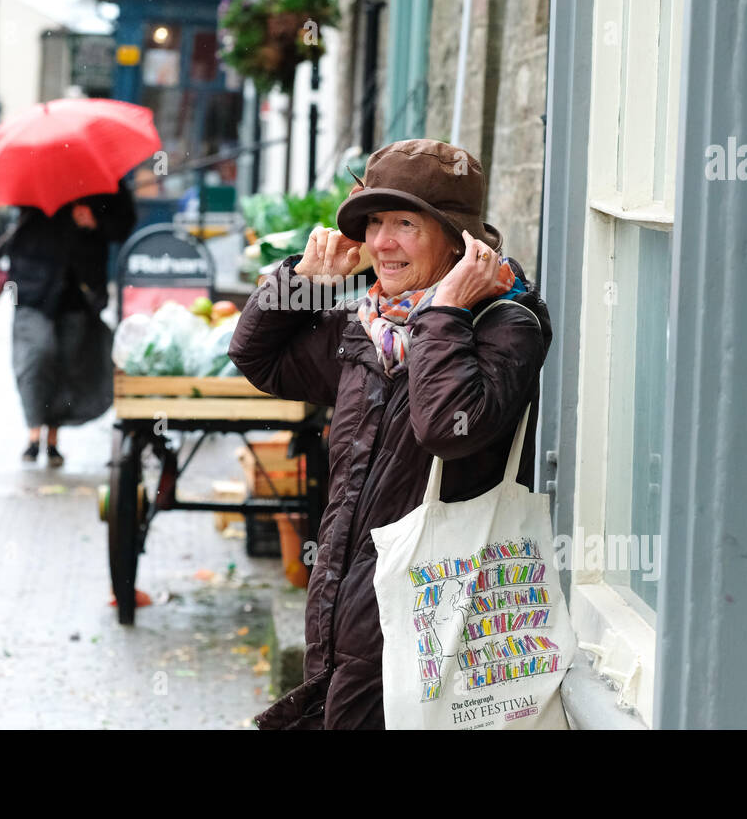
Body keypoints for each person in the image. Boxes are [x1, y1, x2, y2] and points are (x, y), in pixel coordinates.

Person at [228, 139, 553, 729]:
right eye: (374, 223)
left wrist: (445, 310)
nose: (381, 243)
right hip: (345, 610)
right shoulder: (374, 327)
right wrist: (305, 280)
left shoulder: (506, 325)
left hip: (435, 619)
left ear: (458, 239)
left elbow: (445, 427)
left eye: (405, 223)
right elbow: (258, 357)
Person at [5, 181, 136, 466]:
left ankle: (53, 438)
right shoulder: (33, 167)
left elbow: (124, 224)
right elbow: (14, 204)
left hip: (81, 289)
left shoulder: (104, 181)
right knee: (36, 356)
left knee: (69, 362)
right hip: (33, 283)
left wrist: (95, 221)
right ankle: (33, 431)